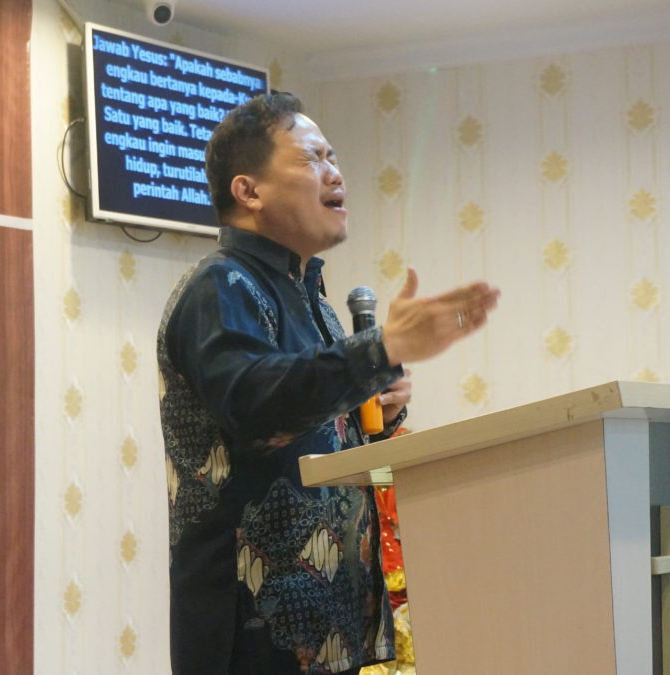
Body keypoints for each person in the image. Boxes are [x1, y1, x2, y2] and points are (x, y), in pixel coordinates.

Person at [157, 92, 499, 675]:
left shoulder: (312, 298)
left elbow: (313, 437)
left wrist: (378, 414)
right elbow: (257, 408)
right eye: (311, 158)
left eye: (333, 156)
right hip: (252, 633)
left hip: (328, 625)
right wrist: (380, 349)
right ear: (248, 191)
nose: (335, 172)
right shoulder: (220, 287)